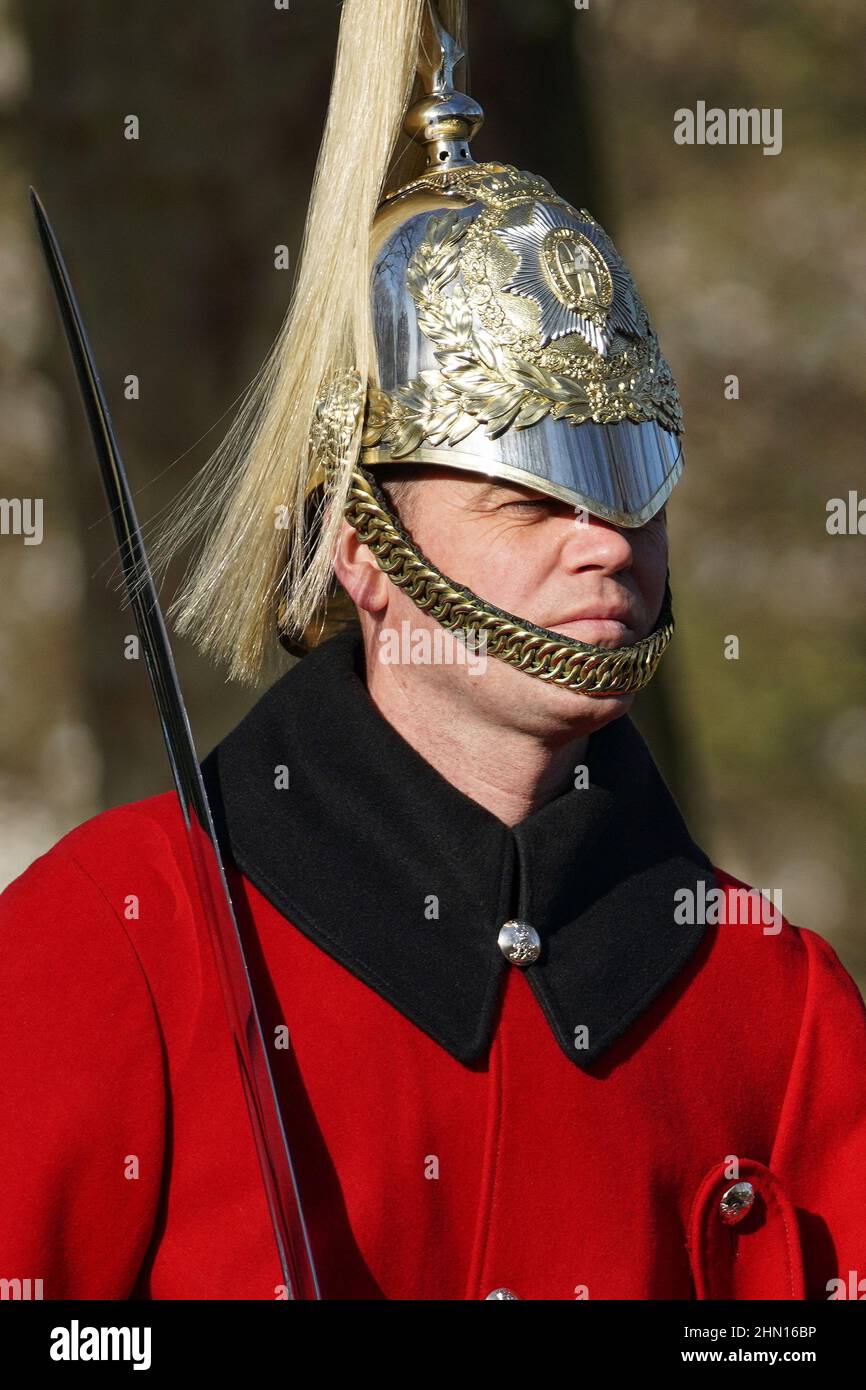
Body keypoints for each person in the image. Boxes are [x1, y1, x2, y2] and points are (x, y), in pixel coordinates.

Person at [1, 0, 864, 1302]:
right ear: (363, 545)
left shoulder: (774, 1000)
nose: (604, 542)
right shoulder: (113, 933)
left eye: (631, 487)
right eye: (530, 497)